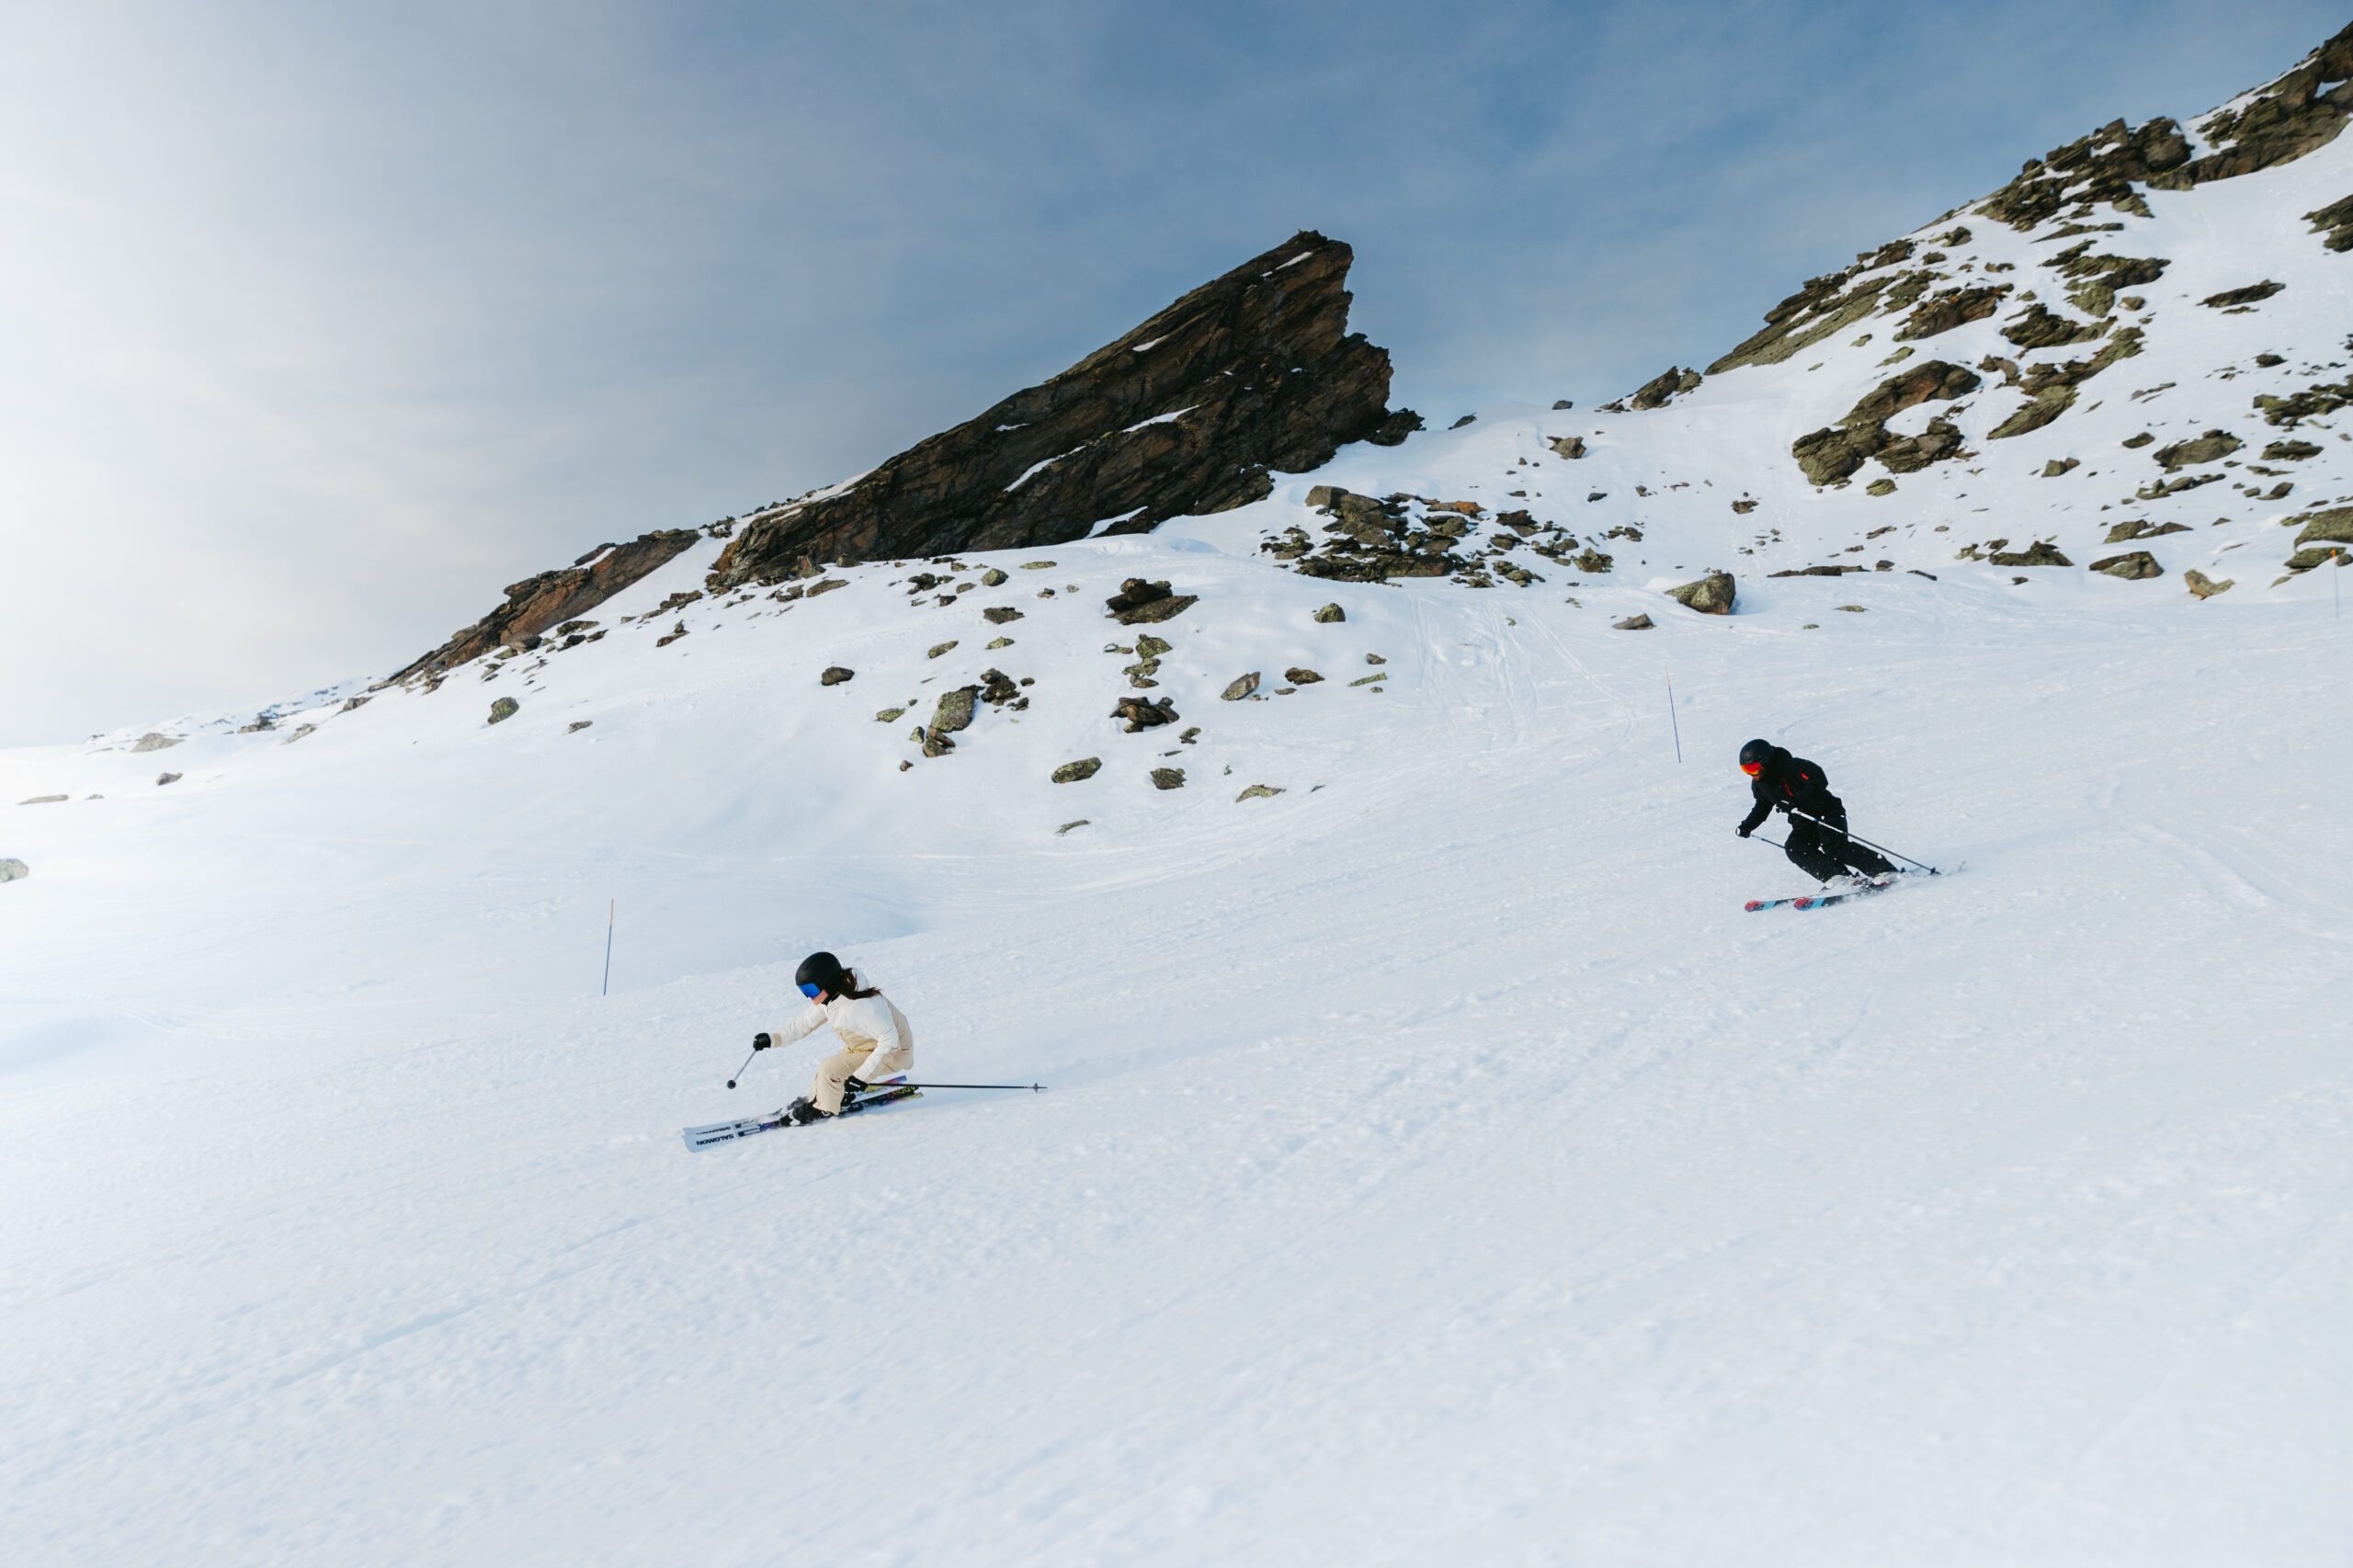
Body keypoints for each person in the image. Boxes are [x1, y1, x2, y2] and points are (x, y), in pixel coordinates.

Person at [750, 951, 915, 1124]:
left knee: (830, 1069)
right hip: (864, 1046)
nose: (808, 996)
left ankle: (824, 1110)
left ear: (827, 983)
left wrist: (861, 1077)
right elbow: (804, 1023)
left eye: (810, 989)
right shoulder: (832, 997)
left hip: (895, 1053)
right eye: (803, 990)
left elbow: (890, 1041)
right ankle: (815, 1100)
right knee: (824, 1074)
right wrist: (774, 1039)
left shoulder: (861, 1005)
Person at [1735, 738, 1897, 885]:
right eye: (1746, 770)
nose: (1751, 774)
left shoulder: (1793, 766)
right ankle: (1839, 877)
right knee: (1795, 847)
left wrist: (1797, 800)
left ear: (1766, 762)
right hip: (1803, 822)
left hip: (1827, 811)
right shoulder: (1760, 785)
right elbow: (1761, 807)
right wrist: (1747, 826)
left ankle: (1884, 870)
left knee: (1835, 846)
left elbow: (1818, 778)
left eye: (1754, 768)